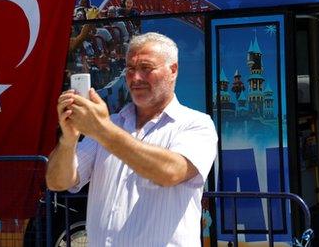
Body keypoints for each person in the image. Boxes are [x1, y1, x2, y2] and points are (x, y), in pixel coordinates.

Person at [46, 32, 217, 246]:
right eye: (130, 69)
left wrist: (101, 129)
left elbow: (171, 172)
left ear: (173, 70)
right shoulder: (111, 124)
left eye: (146, 68)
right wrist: (68, 140)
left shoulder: (196, 124)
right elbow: (57, 181)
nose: (135, 78)